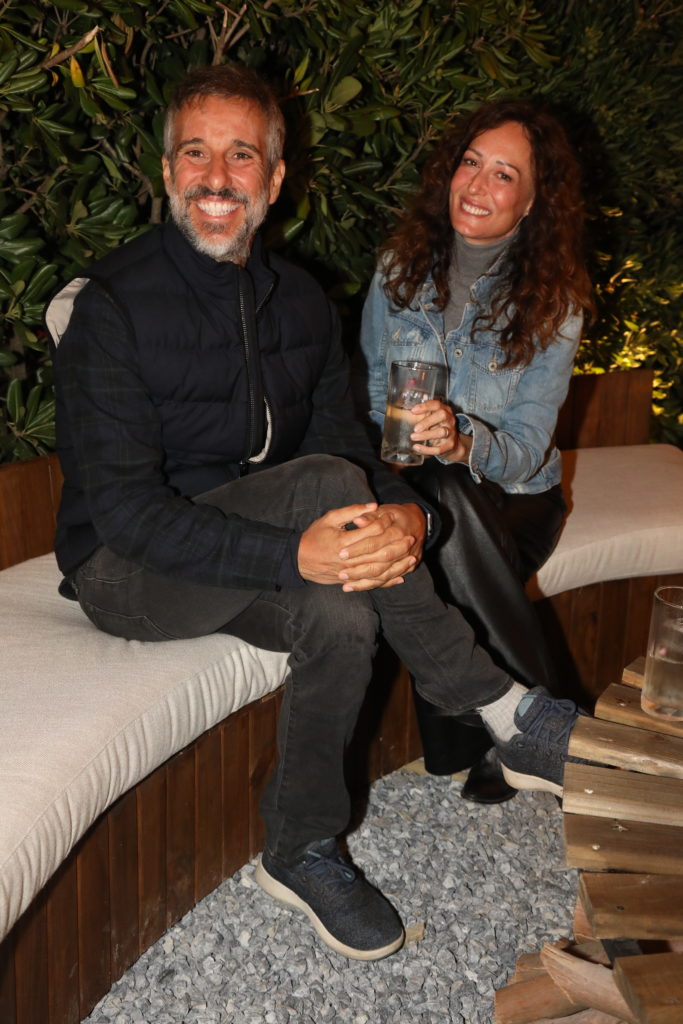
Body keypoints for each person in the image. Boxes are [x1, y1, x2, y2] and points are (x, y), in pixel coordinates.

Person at [46, 68, 586, 963]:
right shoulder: (112, 305)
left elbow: (350, 446)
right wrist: (296, 551)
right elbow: (133, 516)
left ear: (274, 176)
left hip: (247, 544)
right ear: (167, 169)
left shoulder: (299, 301)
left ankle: (299, 848)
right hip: (128, 570)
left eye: (241, 155)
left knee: (342, 605)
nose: (216, 177)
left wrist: (408, 521)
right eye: (195, 153)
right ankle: (500, 706)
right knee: (322, 489)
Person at [357, 100, 594, 804]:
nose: (478, 185)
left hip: (517, 497)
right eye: (470, 163)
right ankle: (533, 727)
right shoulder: (398, 269)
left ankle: (490, 730)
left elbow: (527, 447)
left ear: (532, 202)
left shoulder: (555, 303)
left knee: (444, 497)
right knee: (431, 496)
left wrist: (462, 442)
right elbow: (374, 389)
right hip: (420, 482)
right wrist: (394, 445)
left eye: (504, 174)